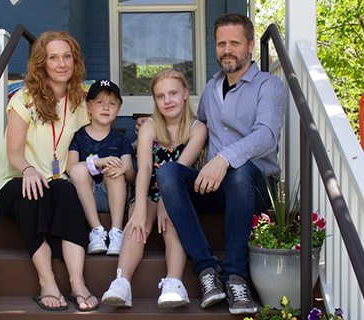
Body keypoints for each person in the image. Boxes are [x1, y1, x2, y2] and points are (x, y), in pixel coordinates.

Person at [156, 14, 287, 315]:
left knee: (239, 169)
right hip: (214, 187)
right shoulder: (211, 88)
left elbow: (266, 136)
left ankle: (236, 276)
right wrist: (151, 130)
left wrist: (224, 158)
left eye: (235, 43)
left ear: (251, 46)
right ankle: (206, 272)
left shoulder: (268, 86)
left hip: (256, 187)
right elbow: (196, 126)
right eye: (221, 44)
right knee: (169, 172)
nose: (227, 50)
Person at [0, 30, 99, 312]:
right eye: (53, 58)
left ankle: (77, 283)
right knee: (34, 192)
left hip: (56, 181)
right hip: (16, 180)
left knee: (66, 191)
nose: (62, 64)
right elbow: (14, 151)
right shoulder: (24, 100)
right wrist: (28, 170)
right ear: (41, 63)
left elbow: (101, 131)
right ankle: (47, 280)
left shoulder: (81, 102)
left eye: (67, 57)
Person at [102, 69, 208, 308]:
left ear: (185, 94)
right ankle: (122, 282)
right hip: (148, 187)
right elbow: (145, 168)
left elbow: (180, 169)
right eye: (160, 96)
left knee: (172, 223)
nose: (167, 100)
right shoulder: (149, 126)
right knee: (136, 225)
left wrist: (166, 203)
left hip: (179, 191)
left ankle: (173, 283)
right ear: (155, 100)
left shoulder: (197, 129)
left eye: (173, 93)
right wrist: (139, 207)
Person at [66, 80, 135, 256]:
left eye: (112, 103)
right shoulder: (79, 136)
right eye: (99, 102)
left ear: (118, 110)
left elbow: (131, 175)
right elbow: (70, 167)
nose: (106, 107)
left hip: (111, 194)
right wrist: (97, 161)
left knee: (115, 170)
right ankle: (96, 231)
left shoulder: (121, 139)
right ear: (88, 107)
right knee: (79, 169)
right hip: (85, 194)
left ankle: (116, 232)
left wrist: (123, 166)